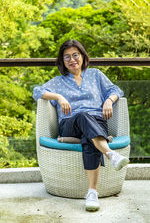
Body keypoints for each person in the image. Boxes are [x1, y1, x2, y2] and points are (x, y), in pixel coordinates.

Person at [33, 40, 129, 212]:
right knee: (83, 116)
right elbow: (37, 91)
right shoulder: (58, 81)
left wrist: (108, 100)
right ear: (62, 61)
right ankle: (110, 154)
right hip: (70, 124)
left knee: (89, 137)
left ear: (83, 56)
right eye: (67, 57)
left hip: (96, 122)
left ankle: (92, 193)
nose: (72, 60)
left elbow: (116, 90)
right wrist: (59, 98)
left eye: (75, 55)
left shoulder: (95, 75)